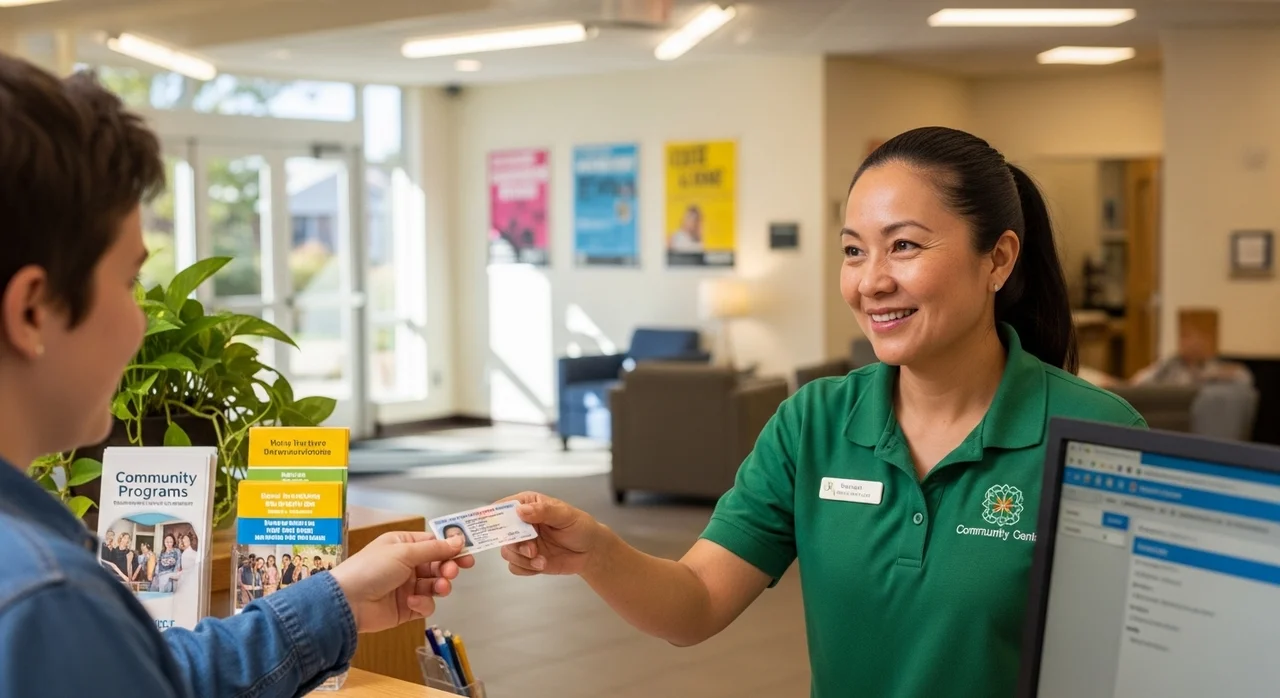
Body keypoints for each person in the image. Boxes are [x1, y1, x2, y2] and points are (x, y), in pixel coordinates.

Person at [499, 126, 1148, 698]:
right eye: (853, 250)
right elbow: (694, 603)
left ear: (998, 259)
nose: (870, 282)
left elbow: (1141, 656)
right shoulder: (812, 423)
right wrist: (597, 554)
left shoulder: (1098, 436)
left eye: (904, 246)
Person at [0, 54, 474, 698]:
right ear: (32, 311)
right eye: (129, 281)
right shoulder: (48, 601)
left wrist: (333, 601)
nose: (141, 323)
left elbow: (161, 681)